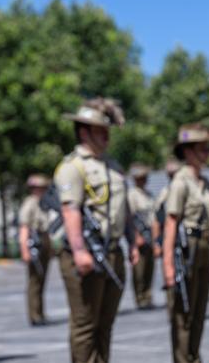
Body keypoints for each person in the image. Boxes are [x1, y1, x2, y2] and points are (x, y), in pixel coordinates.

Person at [53, 97, 139, 363]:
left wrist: (133, 242)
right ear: (83, 131)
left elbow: (124, 210)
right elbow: (71, 211)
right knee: (85, 326)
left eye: (107, 130)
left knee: (104, 325)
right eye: (100, 130)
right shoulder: (73, 167)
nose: (106, 136)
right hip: (86, 255)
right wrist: (79, 251)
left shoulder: (113, 166)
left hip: (112, 252)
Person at [162, 123, 209, 363]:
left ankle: (194, 356)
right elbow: (171, 223)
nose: (207, 153)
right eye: (202, 149)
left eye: (208, 149)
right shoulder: (180, 182)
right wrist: (167, 266)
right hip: (187, 249)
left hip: (204, 245)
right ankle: (183, 358)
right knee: (183, 312)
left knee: (199, 310)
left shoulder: (204, 182)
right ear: (187, 152)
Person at [18, 174, 53, 326]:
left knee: (42, 279)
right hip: (34, 241)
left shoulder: (44, 203)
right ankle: (34, 315)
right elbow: (24, 227)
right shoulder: (30, 203)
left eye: (43, 188)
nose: (41, 190)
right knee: (34, 281)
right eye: (39, 188)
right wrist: (24, 249)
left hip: (44, 239)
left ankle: (40, 312)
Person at [127, 163, 160, 309]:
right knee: (139, 270)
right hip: (139, 234)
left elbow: (153, 219)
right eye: (140, 178)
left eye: (144, 178)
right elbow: (131, 218)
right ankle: (140, 297)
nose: (142, 180)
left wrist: (155, 239)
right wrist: (136, 236)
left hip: (148, 233)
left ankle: (147, 296)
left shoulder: (149, 195)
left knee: (149, 268)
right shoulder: (132, 195)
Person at [154, 159, 181, 238]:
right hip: (171, 232)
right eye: (171, 174)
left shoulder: (184, 188)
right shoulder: (165, 191)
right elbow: (158, 217)